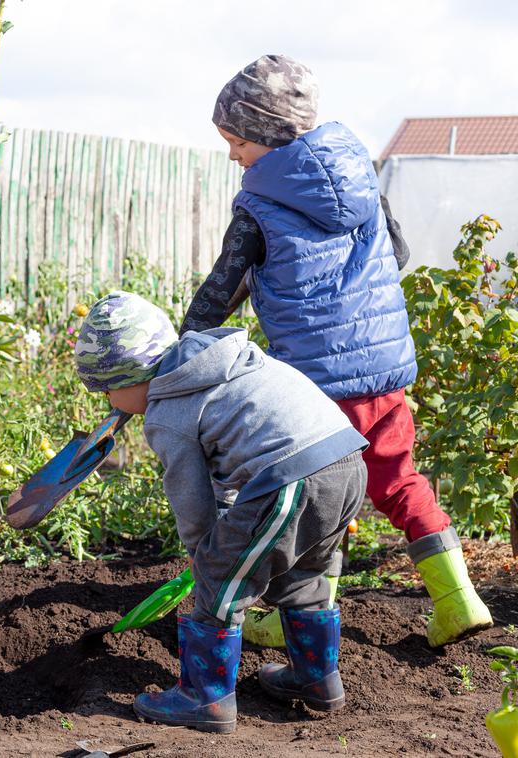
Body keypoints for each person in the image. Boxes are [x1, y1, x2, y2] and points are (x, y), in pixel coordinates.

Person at [181, 54, 491, 649]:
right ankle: (459, 599)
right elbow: (394, 256)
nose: (232, 155)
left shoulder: (257, 206)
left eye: (237, 141)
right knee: (397, 480)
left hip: (317, 386)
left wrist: (184, 353)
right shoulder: (364, 184)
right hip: (382, 372)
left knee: (317, 497)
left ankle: (296, 612)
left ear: (268, 136)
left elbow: (219, 293)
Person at [74, 291, 369, 733]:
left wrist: (202, 551)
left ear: (131, 377)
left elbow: (191, 500)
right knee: (302, 573)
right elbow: (232, 471)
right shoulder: (220, 361)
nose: (110, 402)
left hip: (293, 478)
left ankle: (205, 699)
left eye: (107, 390)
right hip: (346, 463)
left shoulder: (167, 413)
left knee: (220, 573)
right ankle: (316, 679)